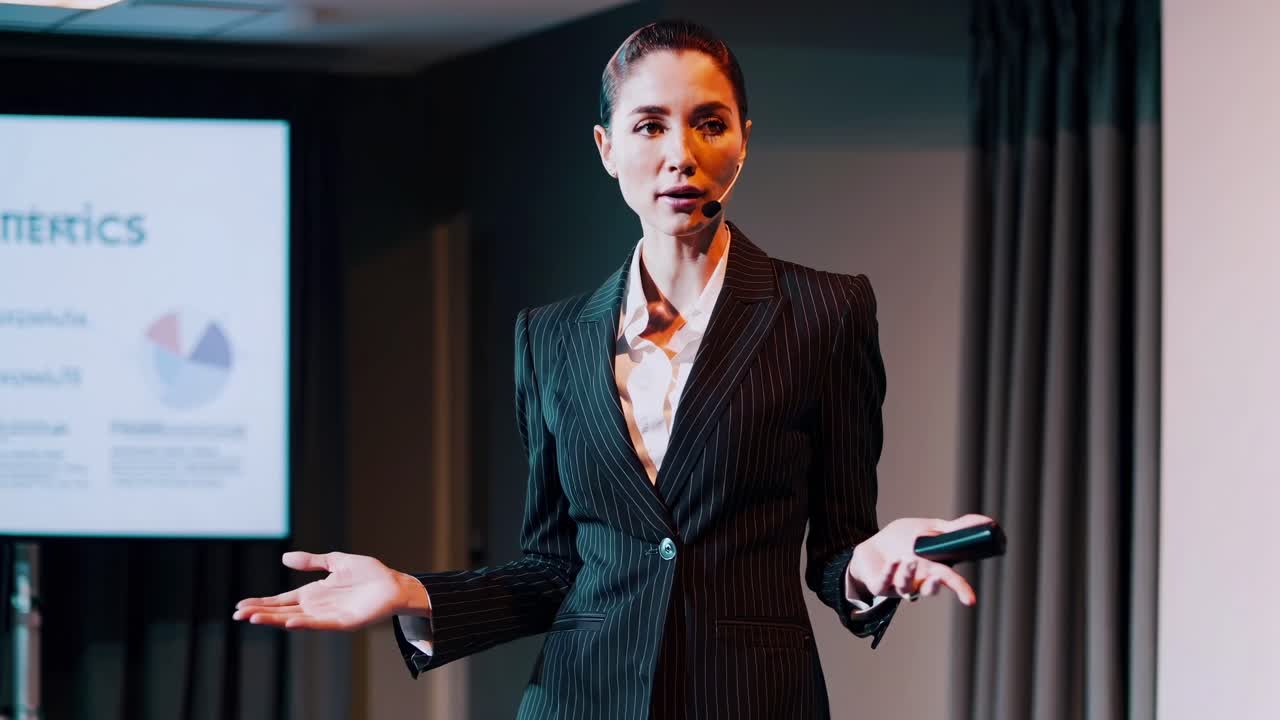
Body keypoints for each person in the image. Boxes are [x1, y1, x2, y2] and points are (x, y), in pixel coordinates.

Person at [234, 19, 993, 719]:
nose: (680, 155)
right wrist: (413, 593)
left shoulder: (827, 312)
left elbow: (833, 554)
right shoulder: (550, 337)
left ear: (743, 141)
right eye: (650, 125)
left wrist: (873, 563)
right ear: (606, 147)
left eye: (709, 123)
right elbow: (553, 568)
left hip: (752, 698)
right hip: (579, 697)